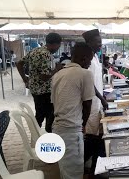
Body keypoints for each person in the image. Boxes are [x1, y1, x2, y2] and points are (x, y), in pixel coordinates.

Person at [52, 42, 95, 179]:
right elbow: (87, 105)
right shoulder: (85, 74)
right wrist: (83, 126)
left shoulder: (58, 75)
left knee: (65, 170)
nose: (89, 64)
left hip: (58, 128)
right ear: (83, 59)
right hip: (71, 130)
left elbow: (55, 102)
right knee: (75, 173)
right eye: (89, 60)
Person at [17, 33, 63, 132]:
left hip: (35, 89)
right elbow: (44, 77)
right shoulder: (46, 54)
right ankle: (47, 137)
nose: (58, 48)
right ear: (54, 44)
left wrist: (25, 79)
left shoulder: (35, 50)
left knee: (40, 114)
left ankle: (36, 136)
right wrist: (57, 69)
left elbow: (19, 63)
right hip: (45, 91)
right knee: (49, 115)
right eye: (58, 46)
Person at [82, 29, 108, 135]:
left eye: (100, 42)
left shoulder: (96, 56)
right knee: (90, 131)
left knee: (96, 128)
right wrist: (101, 98)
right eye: (97, 42)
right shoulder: (88, 60)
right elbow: (89, 83)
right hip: (91, 102)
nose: (100, 45)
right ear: (89, 43)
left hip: (97, 101)